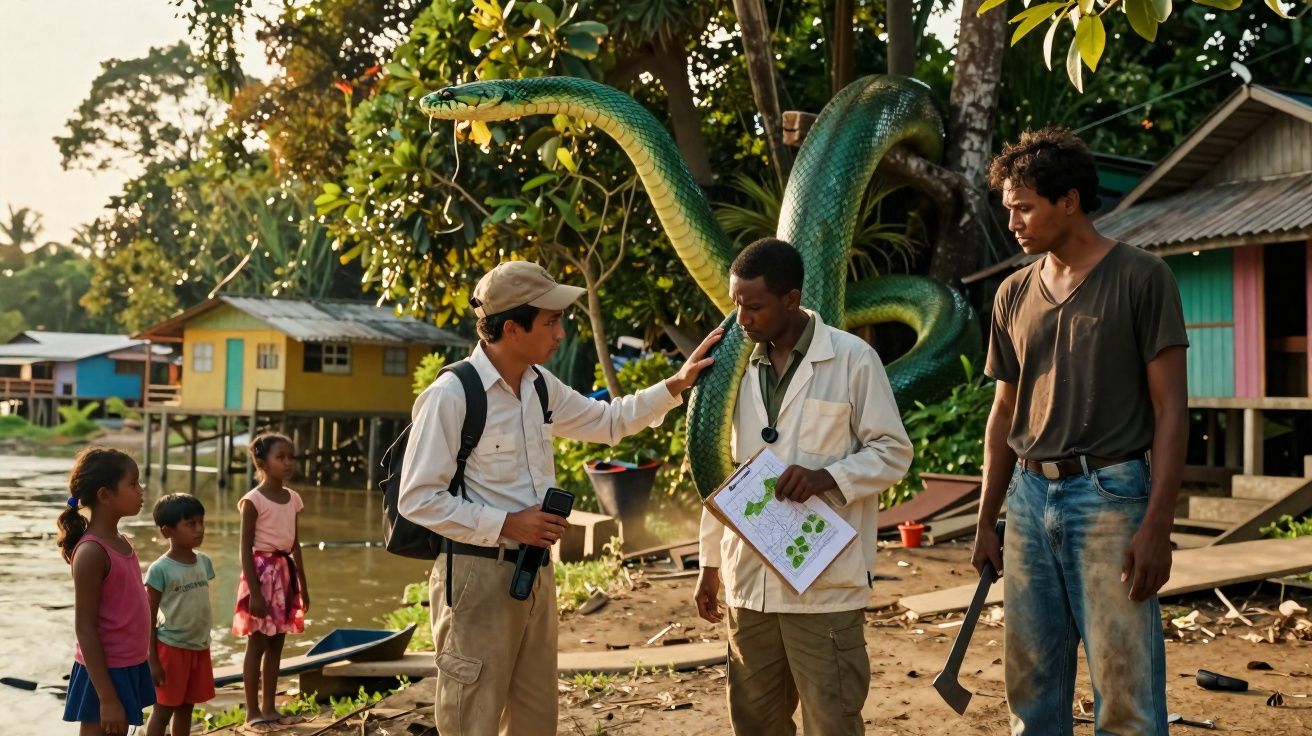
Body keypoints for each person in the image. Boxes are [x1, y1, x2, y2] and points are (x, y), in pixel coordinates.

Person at [398, 260, 722, 736]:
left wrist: (676, 385)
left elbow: (608, 422)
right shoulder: (453, 394)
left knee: (535, 718)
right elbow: (418, 498)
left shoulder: (539, 385)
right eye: (551, 321)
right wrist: (508, 523)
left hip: (535, 574)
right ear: (512, 327)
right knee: (473, 719)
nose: (561, 333)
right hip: (475, 579)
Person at [974, 126, 1188, 735]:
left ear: (1068, 201)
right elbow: (1003, 412)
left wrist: (1158, 527)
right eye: (1008, 207)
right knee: (1032, 689)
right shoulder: (1013, 292)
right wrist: (989, 519)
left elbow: (1172, 410)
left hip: (1112, 496)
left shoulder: (1142, 277)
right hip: (1028, 494)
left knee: (1125, 694)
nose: (1013, 221)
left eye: (1025, 207)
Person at [694, 238, 913, 736]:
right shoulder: (728, 372)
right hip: (749, 583)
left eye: (754, 307)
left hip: (823, 590)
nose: (741, 319)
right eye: (735, 305)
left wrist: (827, 478)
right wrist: (710, 566)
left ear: (790, 300)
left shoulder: (853, 359)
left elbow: (894, 452)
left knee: (831, 720)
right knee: (755, 721)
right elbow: (719, 472)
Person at [58, 447, 152, 736]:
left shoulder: (120, 541)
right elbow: (84, 628)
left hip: (127, 663)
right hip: (104, 671)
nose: (141, 489)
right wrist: (107, 698)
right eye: (133, 483)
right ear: (105, 495)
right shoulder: (91, 552)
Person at [232, 433, 310, 733]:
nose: (288, 462)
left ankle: (269, 707)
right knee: (258, 642)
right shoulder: (253, 500)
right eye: (281, 457)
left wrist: (303, 585)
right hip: (262, 574)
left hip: (285, 572)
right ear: (261, 463)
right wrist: (253, 591)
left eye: (292, 457)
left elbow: (296, 544)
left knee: (278, 642)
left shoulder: (293, 498)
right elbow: (245, 548)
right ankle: (252, 711)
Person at [145, 493, 216, 736]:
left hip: (198, 647)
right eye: (191, 524)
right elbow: (148, 617)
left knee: (187, 707)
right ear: (167, 532)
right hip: (171, 649)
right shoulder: (160, 570)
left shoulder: (204, 562)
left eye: (201, 522)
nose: (199, 529)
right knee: (163, 710)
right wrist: (152, 659)